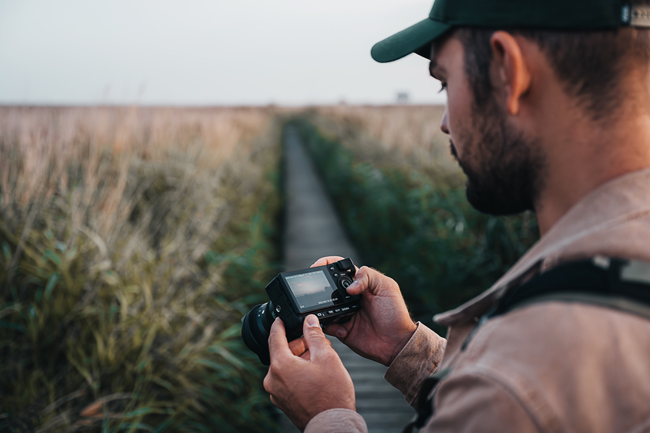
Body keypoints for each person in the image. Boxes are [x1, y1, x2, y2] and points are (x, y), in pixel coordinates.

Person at [263, 0, 650, 431]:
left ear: (508, 71)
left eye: (444, 83)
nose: (445, 123)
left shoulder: (515, 382)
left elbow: (509, 396)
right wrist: (406, 348)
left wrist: (327, 415)